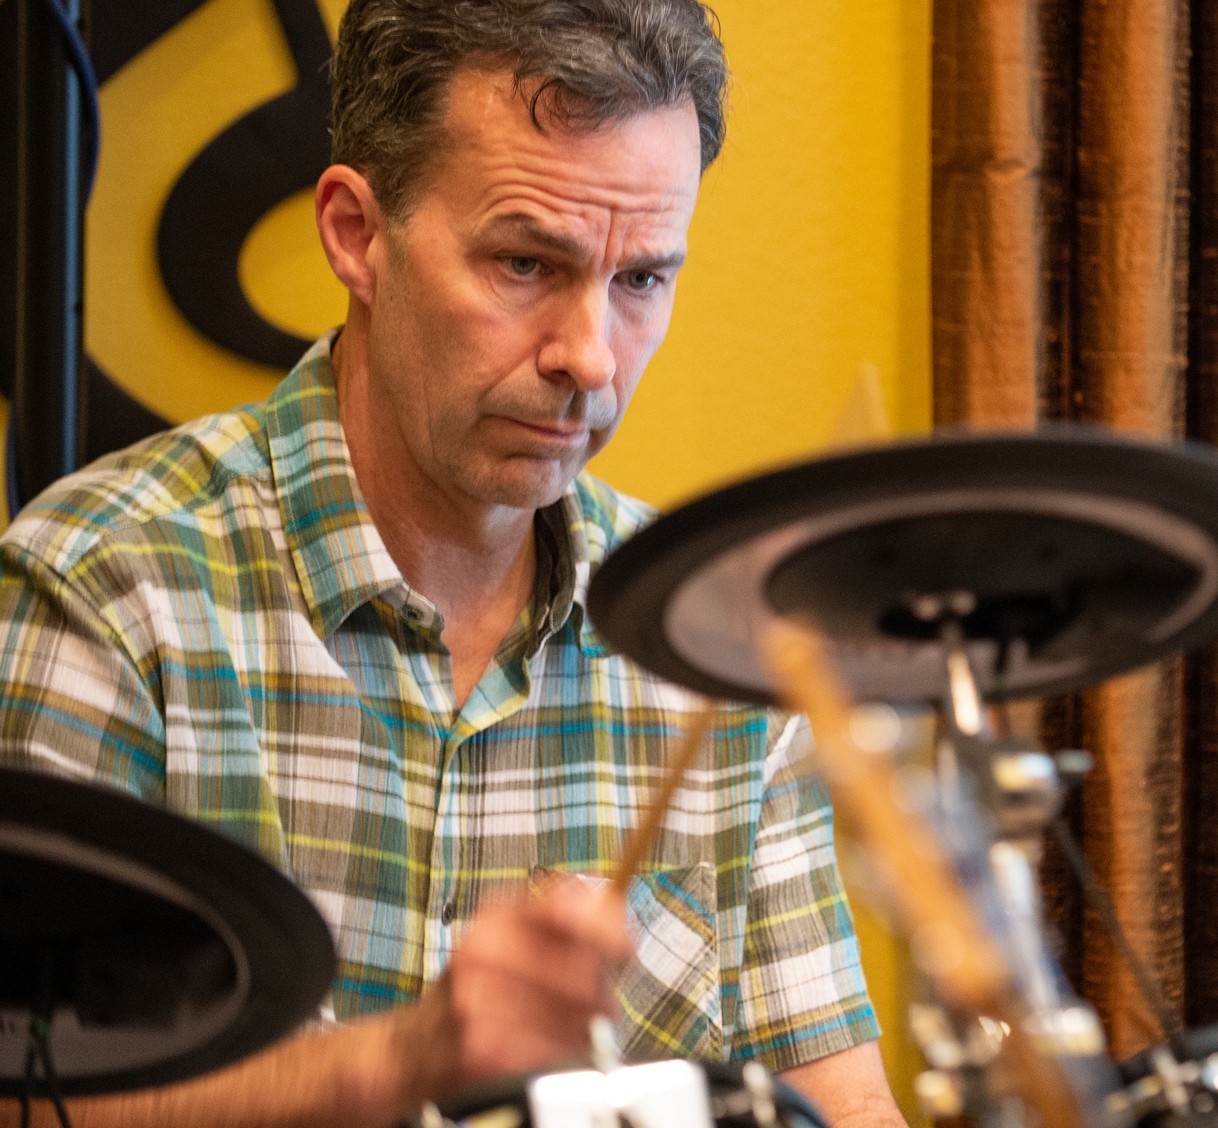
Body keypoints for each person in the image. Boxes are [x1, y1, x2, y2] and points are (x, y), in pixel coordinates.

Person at [0, 1, 907, 1125]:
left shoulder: (712, 644)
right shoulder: (107, 584)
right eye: (527, 262)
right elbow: (30, 1102)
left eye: (641, 282)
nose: (588, 357)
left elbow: (838, 1103)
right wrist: (405, 1060)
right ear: (355, 234)